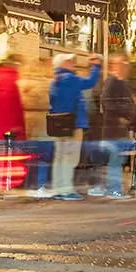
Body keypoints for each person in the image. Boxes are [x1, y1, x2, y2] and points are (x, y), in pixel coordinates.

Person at [46, 53, 101, 198]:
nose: (72, 63)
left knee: (59, 158)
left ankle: (58, 188)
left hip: (58, 125)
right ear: (62, 64)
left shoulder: (54, 82)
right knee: (70, 158)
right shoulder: (70, 79)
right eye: (69, 61)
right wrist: (95, 66)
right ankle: (66, 190)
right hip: (73, 124)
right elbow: (90, 82)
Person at [91, 53, 136, 197]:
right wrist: (121, 117)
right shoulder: (112, 82)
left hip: (120, 129)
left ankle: (106, 187)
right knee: (115, 160)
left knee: (117, 160)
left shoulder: (123, 82)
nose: (126, 66)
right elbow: (107, 102)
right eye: (122, 63)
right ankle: (113, 189)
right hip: (113, 129)